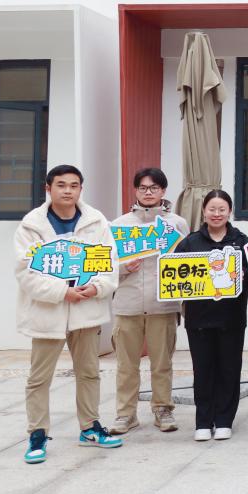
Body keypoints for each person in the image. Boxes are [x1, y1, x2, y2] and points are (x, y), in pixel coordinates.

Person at [16, 165, 122, 464]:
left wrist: (97, 287)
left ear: (80, 189)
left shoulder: (95, 221)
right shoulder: (31, 225)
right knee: (39, 377)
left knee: (88, 372)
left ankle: (89, 428)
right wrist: (62, 291)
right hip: (47, 311)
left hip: (85, 309)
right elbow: (25, 272)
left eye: (74, 185)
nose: (67, 190)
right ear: (48, 188)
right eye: (61, 185)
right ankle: (37, 433)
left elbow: (109, 262)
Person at [109, 168, 189, 435]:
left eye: (154, 188)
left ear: (163, 191)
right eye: (143, 188)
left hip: (163, 305)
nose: (148, 192)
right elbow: (103, 266)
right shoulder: (119, 225)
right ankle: (125, 414)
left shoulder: (177, 224)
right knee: (126, 366)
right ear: (135, 190)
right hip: (127, 304)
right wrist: (123, 267)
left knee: (162, 363)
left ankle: (163, 409)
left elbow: (187, 263)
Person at [174, 190, 248, 441]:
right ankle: (203, 421)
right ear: (204, 211)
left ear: (229, 212)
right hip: (199, 320)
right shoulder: (190, 243)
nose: (216, 214)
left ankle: (224, 420)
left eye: (222, 209)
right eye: (212, 209)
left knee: (229, 369)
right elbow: (174, 277)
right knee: (203, 370)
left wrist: (243, 277)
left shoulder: (242, 241)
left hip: (231, 318)